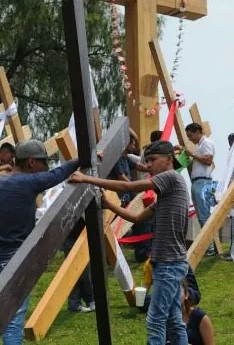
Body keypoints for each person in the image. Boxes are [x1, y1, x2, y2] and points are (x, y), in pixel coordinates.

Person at [69, 140, 190, 345]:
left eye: (152, 160)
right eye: (147, 161)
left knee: (155, 320)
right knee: (173, 321)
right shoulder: (166, 195)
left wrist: (86, 178)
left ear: (169, 159)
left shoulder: (170, 178)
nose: (148, 165)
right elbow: (135, 218)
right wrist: (108, 204)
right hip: (169, 263)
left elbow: (128, 185)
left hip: (169, 264)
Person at [0, 140, 78, 344]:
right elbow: (57, 174)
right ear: (31, 162)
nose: (45, 168)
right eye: (43, 162)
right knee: (12, 323)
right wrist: (85, 159)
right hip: (14, 263)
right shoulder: (27, 182)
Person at [184, 123, 216, 257]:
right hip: (197, 182)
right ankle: (209, 246)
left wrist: (192, 154)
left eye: (190, 136)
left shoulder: (206, 143)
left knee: (204, 216)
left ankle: (210, 248)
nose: (190, 139)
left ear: (197, 132)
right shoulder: (199, 146)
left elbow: (208, 160)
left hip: (203, 182)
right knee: (202, 216)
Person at [182, 281, 214, 345]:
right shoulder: (160, 319)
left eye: (177, 291)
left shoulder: (199, 317)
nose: (173, 295)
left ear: (186, 295)